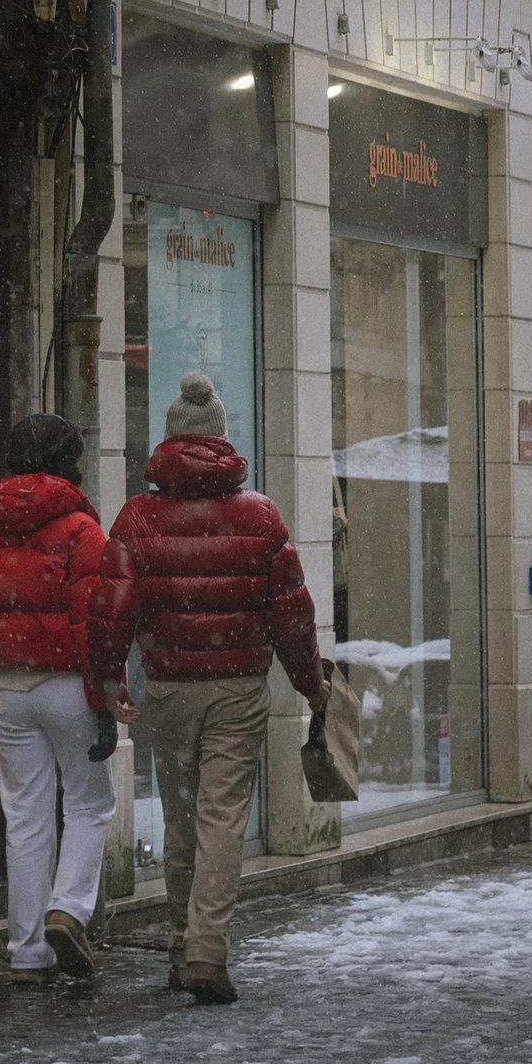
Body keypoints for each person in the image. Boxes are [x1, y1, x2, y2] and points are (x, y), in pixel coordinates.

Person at [95, 370, 326, 1006]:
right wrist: (312, 686)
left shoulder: (138, 517)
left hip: (169, 685)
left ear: (169, 440)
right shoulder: (260, 516)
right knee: (222, 816)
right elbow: (292, 614)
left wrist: (110, 677)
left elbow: (112, 607)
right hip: (237, 687)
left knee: (180, 815)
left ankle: (178, 942)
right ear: (224, 441)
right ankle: (206, 950)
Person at [0, 410, 119, 985]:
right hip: (68, 686)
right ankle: (68, 910)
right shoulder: (80, 532)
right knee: (90, 803)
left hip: (8, 691)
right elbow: (92, 625)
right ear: (67, 464)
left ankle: (26, 947)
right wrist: (103, 701)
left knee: (23, 819)